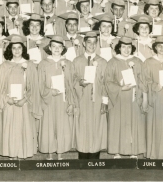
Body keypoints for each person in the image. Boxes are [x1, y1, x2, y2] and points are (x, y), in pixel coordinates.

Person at [0, 35, 41, 159]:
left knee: (22, 129)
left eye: (19, 47)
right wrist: (7, 99)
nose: (16, 50)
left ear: (23, 49)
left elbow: (34, 87)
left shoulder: (30, 65)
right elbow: (0, 87)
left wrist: (25, 99)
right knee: (10, 129)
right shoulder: (4, 66)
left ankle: (22, 155)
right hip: (9, 104)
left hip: (24, 104)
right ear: (10, 49)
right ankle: (11, 155)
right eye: (13, 48)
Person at [105, 36, 147, 159]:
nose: (126, 50)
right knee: (118, 123)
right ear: (119, 48)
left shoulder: (138, 62)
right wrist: (120, 88)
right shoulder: (112, 62)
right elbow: (108, 81)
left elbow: (143, 80)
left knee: (134, 123)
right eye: (123, 47)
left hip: (134, 98)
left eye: (129, 47)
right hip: (118, 98)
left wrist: (144, 98)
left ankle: (133, 151)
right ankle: (117, 151)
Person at [38, 35, 75, 160]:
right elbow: (40, 83)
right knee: (48, 126)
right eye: (54, 46)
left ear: (63, 48)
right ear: (49, 47)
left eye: (59, 47)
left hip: (63, 100)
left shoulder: (68, 64)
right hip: (48, 99)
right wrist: (49, 91)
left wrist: (71, 102)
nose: (56, 49)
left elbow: (71, 84)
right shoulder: (43, 64)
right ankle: (49, 154)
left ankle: (60, 154)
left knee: (61, 125)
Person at [72, 31, 108, 159]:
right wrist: (79, 82)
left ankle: (94, 157)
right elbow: (72, 79)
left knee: (96, 126)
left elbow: (106, 82)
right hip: (82, 99)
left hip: (97, 99)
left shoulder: (103, 62)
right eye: (89, 42)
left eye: (94, 43)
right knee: (82, 127)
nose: (92, 45)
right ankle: (82, 157)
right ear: (83, 43)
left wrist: (104, 102)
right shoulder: (76, 61)